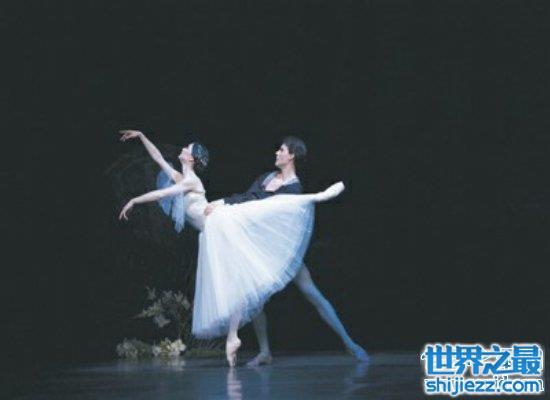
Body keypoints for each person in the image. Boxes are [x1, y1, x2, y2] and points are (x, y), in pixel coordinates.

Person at [117, 130, 345, 367]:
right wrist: (142, 136)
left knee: (241, 281)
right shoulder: (180, 178)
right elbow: (158, 159)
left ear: (192, 158)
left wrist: (134, 200)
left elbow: (162, 194)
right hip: (215, 229)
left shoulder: (191, 182)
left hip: (222, 226)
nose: (182, 150)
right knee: (240, 283)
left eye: (186, 148)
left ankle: (234, 337)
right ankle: (248, 343)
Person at [205, 136, 369, 366]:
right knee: (253, 296)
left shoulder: (293, 188)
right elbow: (247, 198)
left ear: (291, 155)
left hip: (281, 252)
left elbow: (270, 212)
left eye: (281, 150)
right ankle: (265, 351)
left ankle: (349, 343)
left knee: (312, 293)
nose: (277, 153)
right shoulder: (266, 177)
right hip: (259, 246)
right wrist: (222, 202)